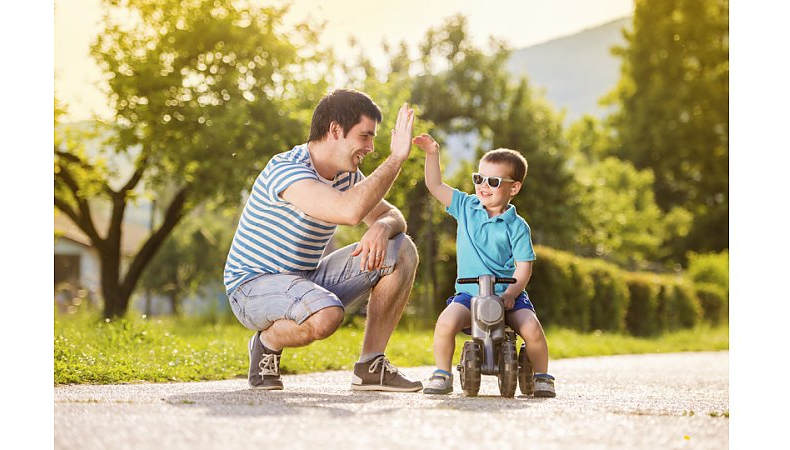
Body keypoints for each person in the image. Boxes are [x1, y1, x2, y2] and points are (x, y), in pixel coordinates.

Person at [224, 89, 423, 392]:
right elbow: (348, 211)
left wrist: (383, 226)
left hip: (303, 279)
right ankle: (267, 342)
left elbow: (392, 215)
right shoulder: (287, 169)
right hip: (251, 287)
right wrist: (396, 158)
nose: (370, 148)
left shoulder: (346, 176)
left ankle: (370, 366)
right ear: (335, 130)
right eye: (365, 136)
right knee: (327, 315)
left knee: (402, 249)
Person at [412, 133, 556, 397]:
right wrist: (432, 154)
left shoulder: (517, 226)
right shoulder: (466, 206)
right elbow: (435, 185)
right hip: (469, 295)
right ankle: (442, 373)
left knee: (532, 328)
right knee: (445, 323)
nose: (483, 186)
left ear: (514, 188)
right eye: (479, 178)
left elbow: (524, 267)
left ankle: (542, 377)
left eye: (493, 181)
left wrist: (511, 294)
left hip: (508, 296)